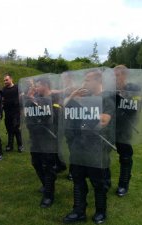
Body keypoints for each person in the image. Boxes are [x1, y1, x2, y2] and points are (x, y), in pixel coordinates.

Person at [63, 69, 115, 224]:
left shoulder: (106, 99)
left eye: (87, 80)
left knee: (98, 182)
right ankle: (78, 211)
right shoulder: (83, 98)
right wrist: (73, 98)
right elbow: (64, 109)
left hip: (96, 146)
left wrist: (81, 108)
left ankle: (101, 211)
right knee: (78, 179)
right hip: (79, 144)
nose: (84, 83)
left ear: (98, 81)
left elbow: (103, 121)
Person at [20, 75, 61, 208]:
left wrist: (36, 102)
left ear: (45, 85)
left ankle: (49, 195)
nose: (36, 88)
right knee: (36, 162)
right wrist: (29, 100)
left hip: (49, 137)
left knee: (48, 165)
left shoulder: (54, 98)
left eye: (38, 85)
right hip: (35, 136)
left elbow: (53, 116)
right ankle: (45, 184)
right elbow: (27, 113)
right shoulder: (36, 97)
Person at [114, 65, 141, 197]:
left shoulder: (133, 88)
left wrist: (120, 97)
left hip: (124, 126)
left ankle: (123, 184)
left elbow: (135, 108)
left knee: (125, 156)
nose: (114, 79)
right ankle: (104, 181)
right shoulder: (110, 89)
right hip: (109, 126)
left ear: (124, 75)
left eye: (117, 75)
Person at [2, 73, 23, 152]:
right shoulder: (4, 89)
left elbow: (21, 98)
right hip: (7, 113)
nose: (5, 82)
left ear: (11, 79)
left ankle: (20, 145)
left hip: (16, 112)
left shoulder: (17, 88)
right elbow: (2, 99)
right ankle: (10, 146)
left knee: (16, 129)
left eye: (6, 80)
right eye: (4, 80)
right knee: (9, 129)